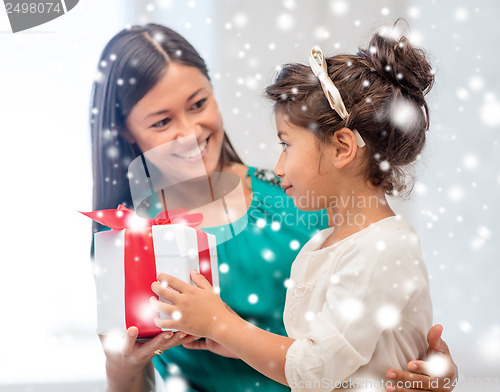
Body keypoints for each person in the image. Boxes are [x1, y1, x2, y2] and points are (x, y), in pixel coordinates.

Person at [89, 23, 457, 392]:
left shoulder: (307, 198)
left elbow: (378, 331)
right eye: (162, 121)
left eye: (198, 104)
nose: (188, 131)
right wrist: (120, 371)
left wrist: (429, 372)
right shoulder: (127, 242)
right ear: (125, 130)